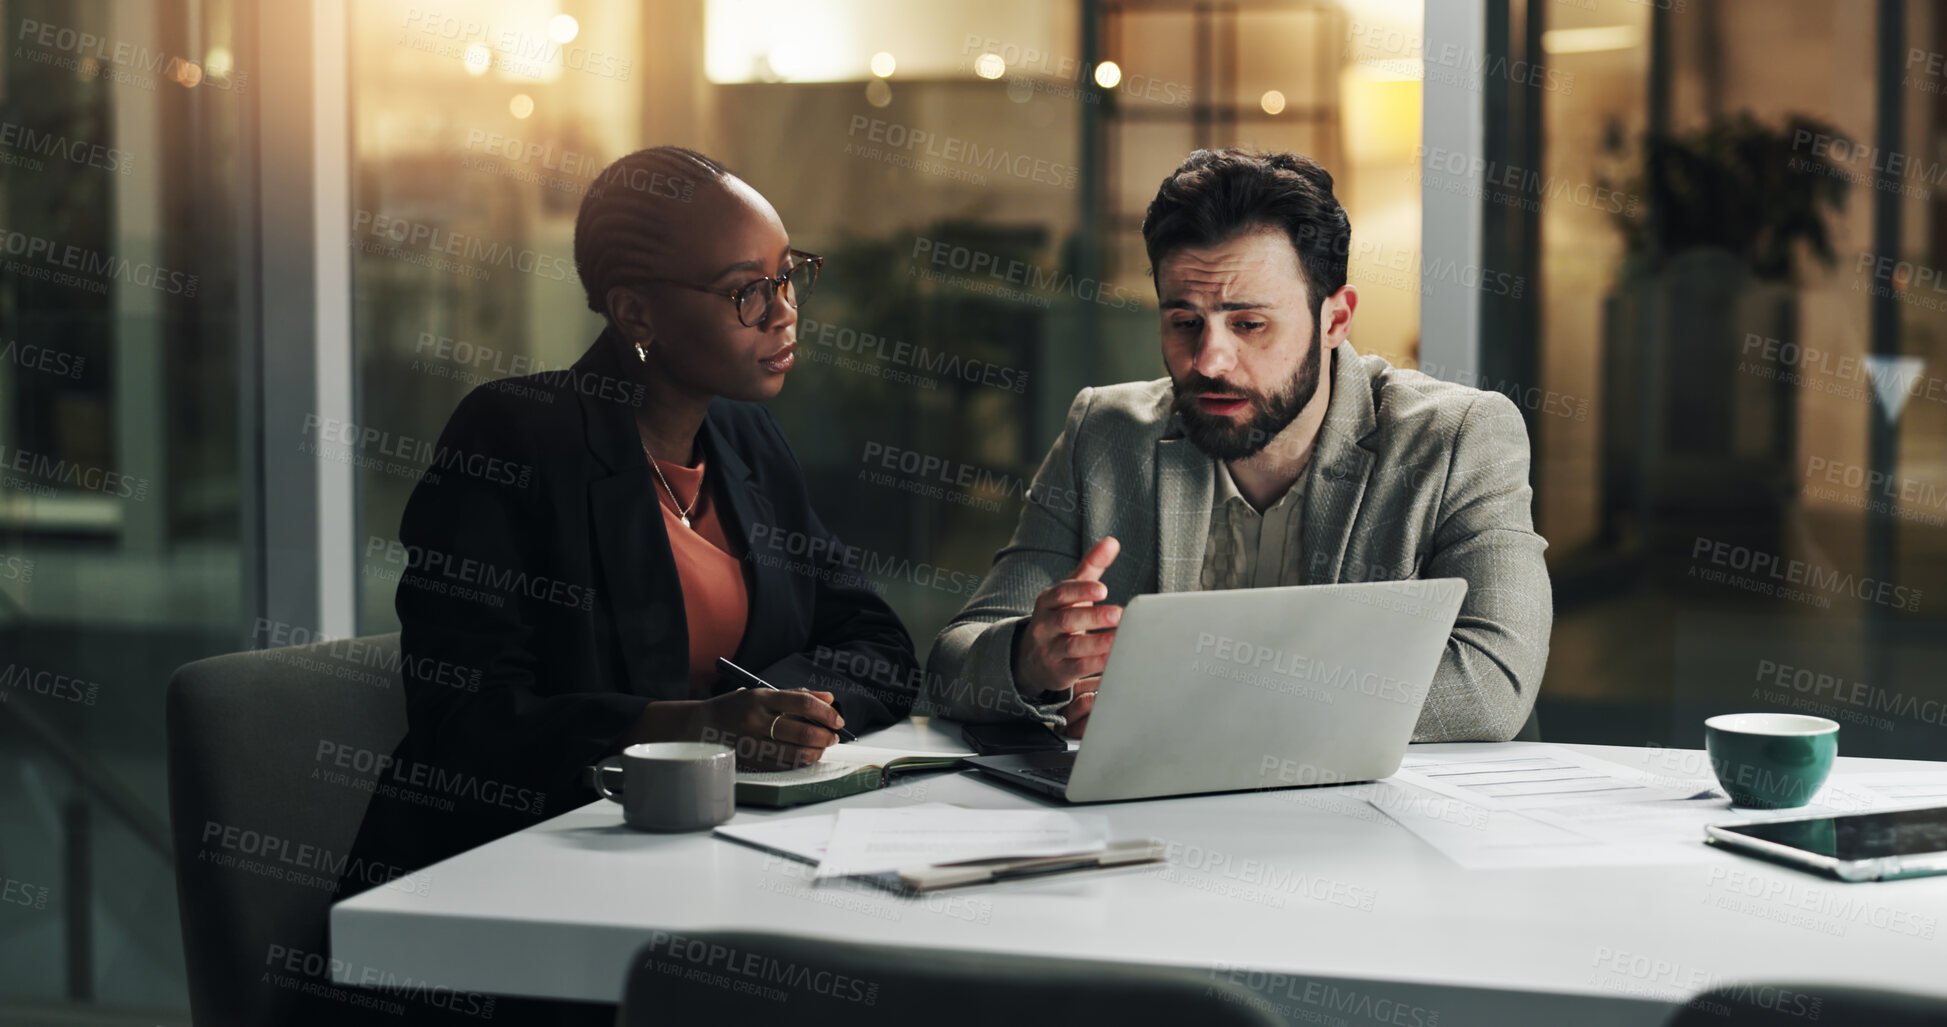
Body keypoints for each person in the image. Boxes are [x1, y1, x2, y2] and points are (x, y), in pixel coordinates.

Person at [348, 146, 921, 890]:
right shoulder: (512, 436)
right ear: (635, 312)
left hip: (715, 859)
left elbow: (879, 646)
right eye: (746, 291)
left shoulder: (746, 439)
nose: (784, 312)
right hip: (515, 876)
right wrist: (692, 726)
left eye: (787, 276)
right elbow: (466, 721)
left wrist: (775, 716)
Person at [924, 147, 1551, 741]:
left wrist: (1185, 701)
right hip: (1154, 810)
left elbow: (1491, 682)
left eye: (1249, 324)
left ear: (1335, 320)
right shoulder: (1105, 434)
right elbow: (954, 665)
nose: (1209, 360)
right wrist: (1030, 661)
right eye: (1184, 322)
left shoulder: (1457, 437)